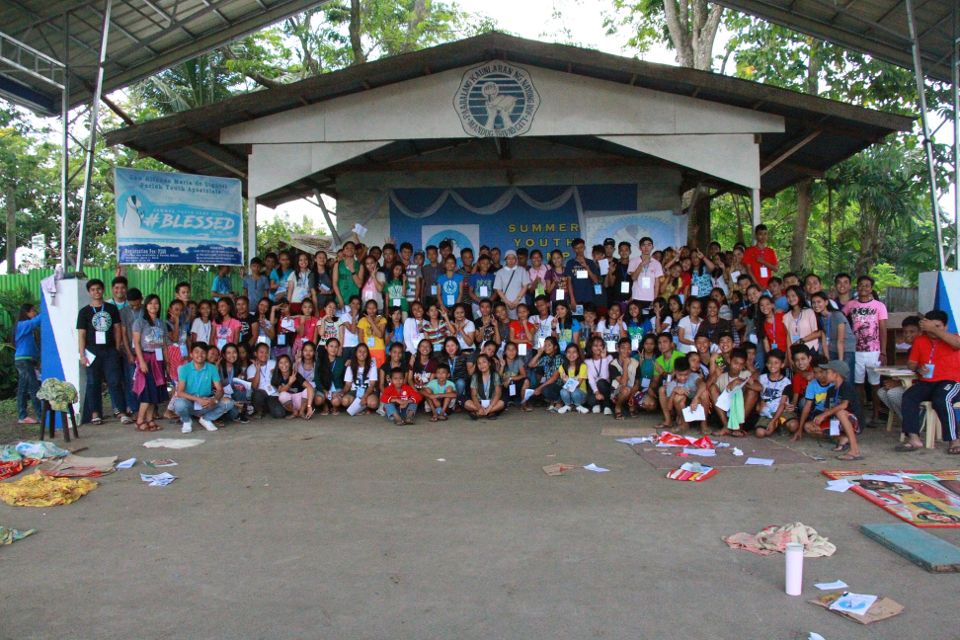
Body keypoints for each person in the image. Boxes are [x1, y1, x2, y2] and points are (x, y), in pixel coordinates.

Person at [897, 310, 960, 454]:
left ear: (945, 326)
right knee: (909, 396)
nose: (932, 331)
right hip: (927, 382)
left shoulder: (953, 338)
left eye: (937, 326)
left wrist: (933, 329)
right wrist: (919, 367)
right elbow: (911, 364)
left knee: (942, 398)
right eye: (930, 327)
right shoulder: (920, 340)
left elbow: (958, 344)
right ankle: (914, 438)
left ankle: (955, 440)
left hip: (952, 382)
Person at [77, 279, 130, 425]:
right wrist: (82, 354)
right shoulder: (84, 312)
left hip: (109, 350)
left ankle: (121, 411)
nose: (96, 292)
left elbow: (117, 328)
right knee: (93, 382)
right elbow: (81, 334)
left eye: (99, 289)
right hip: (92, 351)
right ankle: (95, 413)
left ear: (103, 290)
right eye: (93, 289)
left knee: (115, 381)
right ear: (89, 292)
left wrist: (117, 346)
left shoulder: (111, 309)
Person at [842, 275, 888, 422]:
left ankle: (875, 413)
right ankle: (860, 414)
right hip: (856, 351)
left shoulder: (879, 306)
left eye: (867, 285)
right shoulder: (851, 305)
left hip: (874, 351)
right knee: (858, 384)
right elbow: (839, 318)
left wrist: (883, 351)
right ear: (857, 287)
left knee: (875, 384)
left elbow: (882, 329)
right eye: (861, 285)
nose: (863, 288)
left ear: (871, 288)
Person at [174, 342, 234, 433]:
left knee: (229, 403)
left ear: (206, 355)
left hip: (207, 402)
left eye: (203, 352)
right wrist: (198, 399)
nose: (200, 355)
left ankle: (206, 419)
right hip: (190, 402)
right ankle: (186, 421)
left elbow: (219, 390)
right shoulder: (184, 369)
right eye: (196, 352)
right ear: (191, 354)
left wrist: (214, 400)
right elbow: (180, 392)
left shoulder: (212, 368)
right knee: (179, 404)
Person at [131, 294, 170, 432]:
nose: (154, 306)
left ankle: (150, 419)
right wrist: (141, 361)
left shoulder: (161, 323)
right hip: (146, 359)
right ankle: (140, 420)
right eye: (150, 303)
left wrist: (167, 362)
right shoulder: (139, 322)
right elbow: (136, 343)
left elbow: (164, 344)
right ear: (146, 305)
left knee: (155, 392)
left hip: (158, 360)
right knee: (147, 391)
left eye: (156, 303)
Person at [876, 315, 920, 423]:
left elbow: (920, 374)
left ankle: (913, 422)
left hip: (920, 385)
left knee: (893, 393)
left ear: (921, 332)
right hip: (910, 383)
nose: (908, 335)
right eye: (905, 332)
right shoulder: (911, 349)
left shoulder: (925, 349)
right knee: (882, 392)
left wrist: (899, 384)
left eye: (912, 332)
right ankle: (908, 420)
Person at [753, 349, 797, 438]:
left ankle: (778, 423)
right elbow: (757, 393)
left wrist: (773, 421)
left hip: (782, 412)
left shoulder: (786, 382)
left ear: (782, 365)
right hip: (767, 412)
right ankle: (777, 425)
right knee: (760, 433)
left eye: (776, 363)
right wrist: (758, 404)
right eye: (770, 362)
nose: (772, 365)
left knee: (793, 426)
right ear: (766, 364)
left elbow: (782, 404)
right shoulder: (761, 378)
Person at [13, 303, 43, 424]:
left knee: (23, 388)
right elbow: (35, 321)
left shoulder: (23, 327)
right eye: (33, 311)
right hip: (24, 360)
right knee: (33, 387)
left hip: (25, 359)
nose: (34, 313)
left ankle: (22, 415)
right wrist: (46, 311)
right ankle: (41, 415)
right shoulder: (23, 325)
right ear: (27, 312)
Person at [247, 342, 285, 419]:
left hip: (273, 394)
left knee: (280, 414)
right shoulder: (251, 368)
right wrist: (257, 370)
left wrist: (275, 374)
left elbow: (282, 378)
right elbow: (254, 387)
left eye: (266, 352)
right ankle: (259, 411)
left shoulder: (274, 363)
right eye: (261, 352)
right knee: (257, 394)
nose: (264, 355)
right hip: (260, 394)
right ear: (255, 353)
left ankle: (267, 408)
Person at [272, 354, 315, 419]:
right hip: (289, 403)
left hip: (301, 401)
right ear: (277, 365)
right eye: (281, 363)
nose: (284, 365)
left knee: (308, 390)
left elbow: (310, 387)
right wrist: (289, 383)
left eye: (286, 362)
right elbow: (280, 391)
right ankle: (294, 412)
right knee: (282, 395)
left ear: (290, 363)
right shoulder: (277, 376)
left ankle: (301, 412)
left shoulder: (295, 374)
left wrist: (309, 406)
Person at [342, 343, 380, 415]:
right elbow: (347, 385)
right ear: (356, 353)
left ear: (367, 354)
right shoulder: (350, 366)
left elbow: (372, 385)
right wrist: (342, 393)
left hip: (368, 391)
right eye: (360, 351)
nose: (362, 354)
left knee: (373, 403)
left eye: (364, 352)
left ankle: (363, 408)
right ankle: (360, 408)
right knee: (344, 401)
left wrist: (364, 397)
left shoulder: (372, 365)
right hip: (354, 391)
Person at [464, 353, 504, 420]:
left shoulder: (495, 375)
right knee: (466, 403)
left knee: (502, 403)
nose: (481, 365)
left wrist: (490, 407)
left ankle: (479, 413)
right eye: (479, 363)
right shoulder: (475, 376)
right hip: (479, 402)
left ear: (489, 363)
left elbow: (498, 394)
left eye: (484, 362)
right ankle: (489, 412)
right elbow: (473, 395)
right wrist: (479, 407)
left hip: (492, 401)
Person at [493, 250, 530, 319]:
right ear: (505, 259)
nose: (511, 260)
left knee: (521, 323)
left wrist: (517, 301)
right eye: (508, 258)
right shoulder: (500, 272)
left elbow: (525, 286)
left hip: (520, 302)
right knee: (508, 323)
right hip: (506, 303)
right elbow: (498, 289)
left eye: (513, 258)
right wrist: (507, 302)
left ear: (516, 259)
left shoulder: (522, 270)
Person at [742, 224, 778, 289]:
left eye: (765, 234)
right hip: (754, 285)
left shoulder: (771, 251)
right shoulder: (749, 251)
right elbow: (748, 270)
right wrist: (758, 285)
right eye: (760, 234)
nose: (763, 236)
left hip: (769, 286)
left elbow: (776, 269)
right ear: (756, 236)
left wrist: (763, 262)